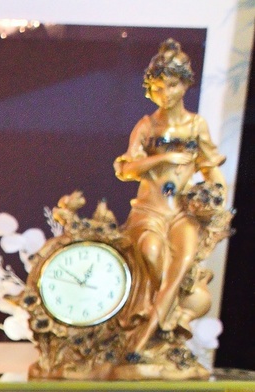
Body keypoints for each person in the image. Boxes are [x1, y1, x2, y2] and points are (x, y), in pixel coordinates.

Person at [114, 39, 227, 357]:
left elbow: (211, 170)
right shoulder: (146, 126)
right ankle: (165, 321)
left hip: (182, 213)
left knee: (183, 264)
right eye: (158, 88)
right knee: (151, 253)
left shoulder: (196, 125)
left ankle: (145, 341)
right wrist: (164, 159)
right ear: (150, 90)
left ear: (186, 85)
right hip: (149, 210)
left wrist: (218, 199)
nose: (166, 94)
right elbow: (126, 169)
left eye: (173, 85)